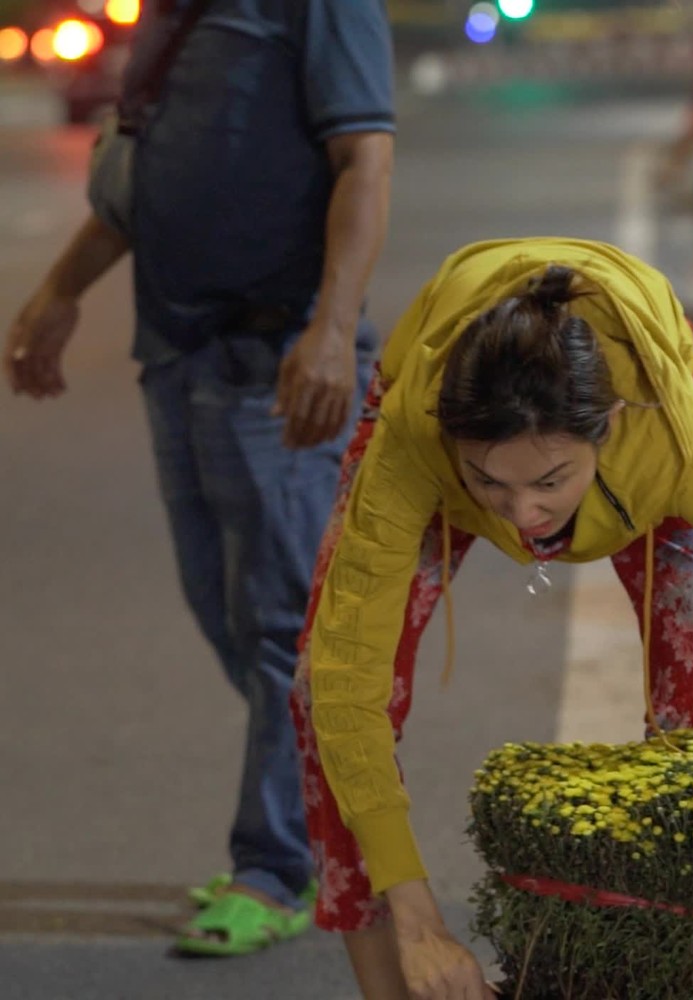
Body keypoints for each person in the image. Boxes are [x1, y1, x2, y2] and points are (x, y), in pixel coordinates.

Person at [289, 237, 693, 998]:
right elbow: (346, 679)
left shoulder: (674, 444)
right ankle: (402, 976)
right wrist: (417, 912)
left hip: (647, 418)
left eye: (549, 481)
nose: (523, 516)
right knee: (317, 690)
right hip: (425, 405)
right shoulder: (415, 440)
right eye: (491, 483)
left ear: (608, 428)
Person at [2, 0, 394, 957]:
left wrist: (333, 331)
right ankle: (320, 805)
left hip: (278, 357)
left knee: (279, 628)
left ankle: (279, 866)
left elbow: (365, 161)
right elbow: (145, 177)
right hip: (180, 352)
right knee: (227, 616)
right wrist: (62, 289)